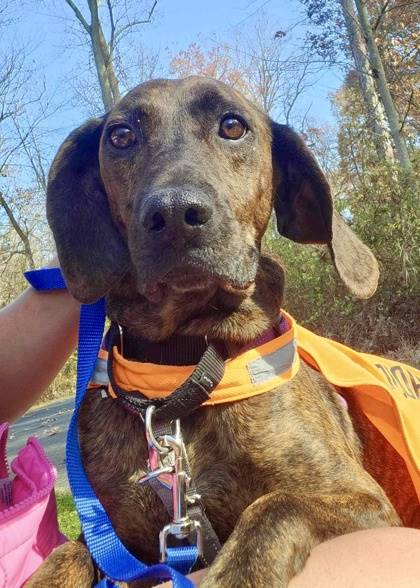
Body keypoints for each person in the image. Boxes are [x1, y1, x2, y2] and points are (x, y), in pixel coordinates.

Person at [1, 269, 419, 587]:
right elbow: (112, 546)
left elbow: (368, 508)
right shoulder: (105, 405)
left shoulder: (284, 388)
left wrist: (277, 525)